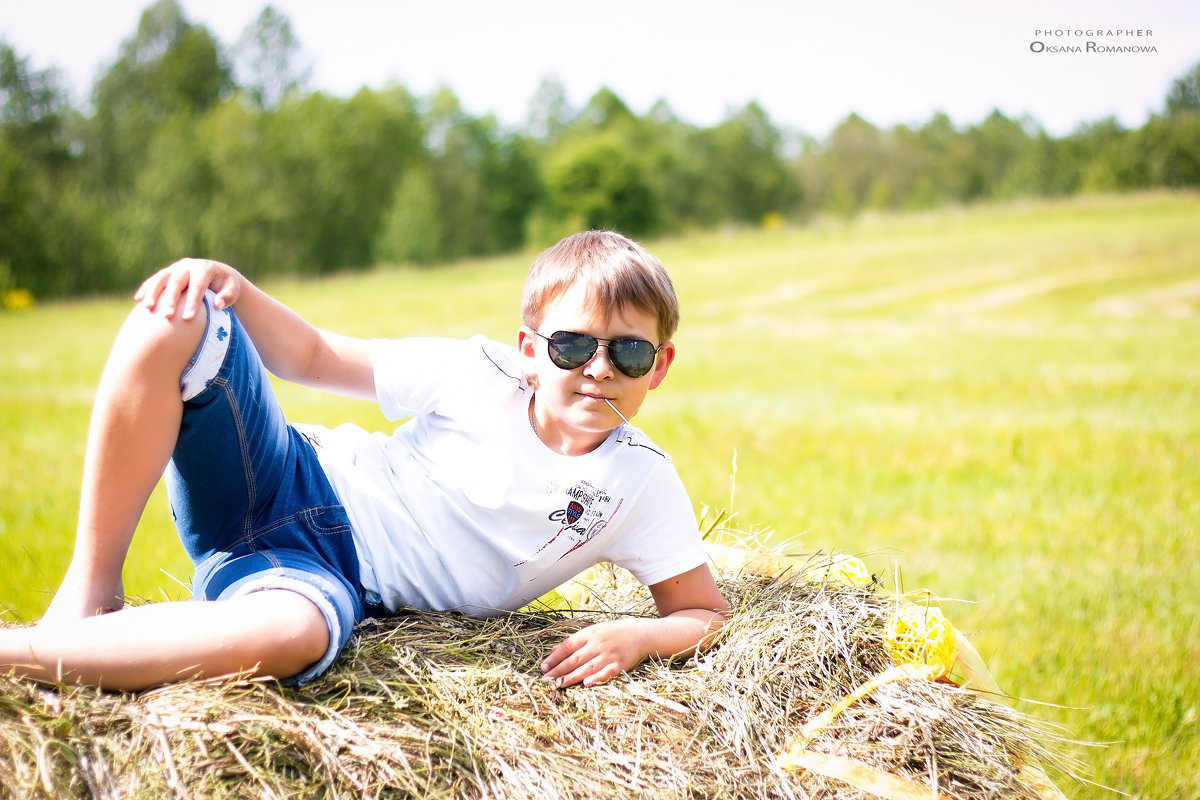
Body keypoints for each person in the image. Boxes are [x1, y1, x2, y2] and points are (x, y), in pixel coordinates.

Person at [0, 231, 728, 692]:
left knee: (288, 640)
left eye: (627, 353)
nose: (599, 369)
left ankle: (17, 657)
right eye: (573, 345)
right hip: (288, 477)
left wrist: (639, 638)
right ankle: (91, 591)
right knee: (178, 311)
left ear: (658, 367)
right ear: (530, 350)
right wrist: (232, 287)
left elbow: (703, 613)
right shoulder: (474, 375)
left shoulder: (640, 481)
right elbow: (313, 357)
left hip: (322, 579)